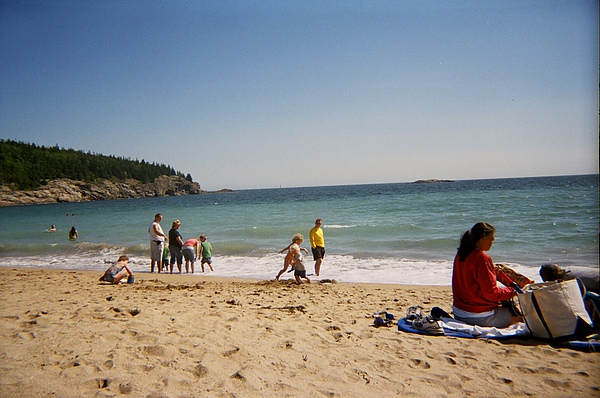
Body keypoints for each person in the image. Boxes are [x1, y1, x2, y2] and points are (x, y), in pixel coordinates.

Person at [451, 222, 521, 328]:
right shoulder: (482, 258)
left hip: (459, 312)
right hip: (477, 316)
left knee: (509, 306)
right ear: (483, 238)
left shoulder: (461, 254)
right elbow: (491, 293)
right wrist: (513, 291)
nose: (492, 242)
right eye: (491, 239)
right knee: (523, 317)